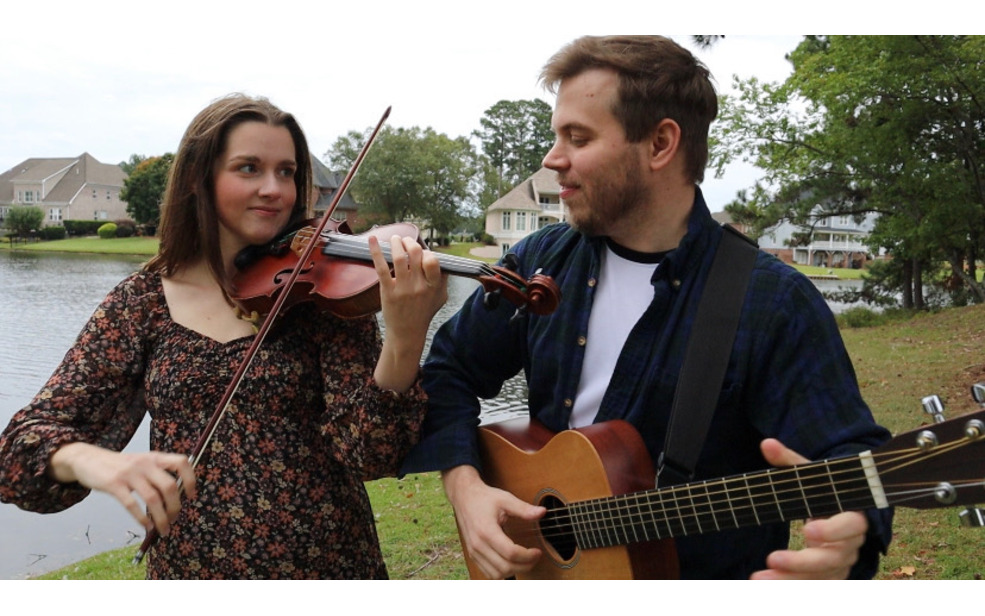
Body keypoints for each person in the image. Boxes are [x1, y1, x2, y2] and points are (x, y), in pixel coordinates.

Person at [400, 35, 894, 580]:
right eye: (555, 135)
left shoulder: (771, 301)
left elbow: (851, 458)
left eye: (578, 137)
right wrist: (465, 488)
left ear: (660, 143)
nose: (552, 159)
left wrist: (854, 530)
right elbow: (446, 370)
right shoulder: (543, 262)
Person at [0, 93, 448, 579]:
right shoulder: (144, 302)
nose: (275, 189)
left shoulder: (323, 291)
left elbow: (371, 455)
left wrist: (406, 339)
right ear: (199, 178)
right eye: (249, 168)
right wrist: (95, 461)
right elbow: (18, 452)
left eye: (287, 171)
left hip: (329, 569)